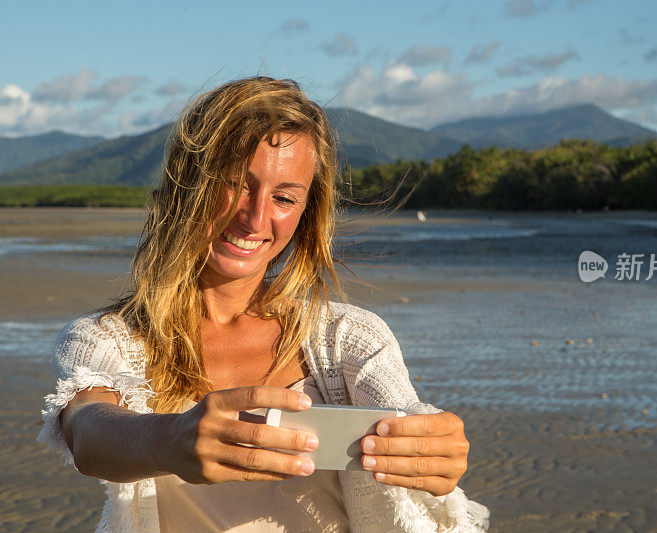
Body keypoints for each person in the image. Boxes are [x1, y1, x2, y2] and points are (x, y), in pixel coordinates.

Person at [37, 76, 490, 532]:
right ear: (186, 185)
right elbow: (87, 430)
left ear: (307, 212)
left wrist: (433, 449)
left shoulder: (346, 339)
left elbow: (404, 416)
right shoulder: (110, 338)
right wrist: (171, 438)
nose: (255, 217)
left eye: (284, 197)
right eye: (234, 184)